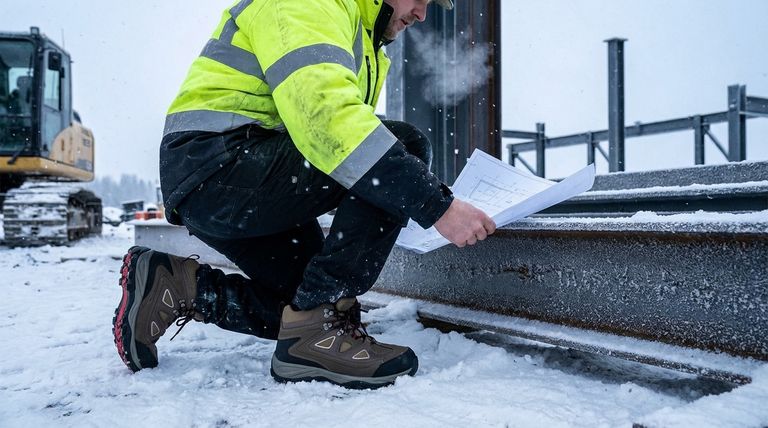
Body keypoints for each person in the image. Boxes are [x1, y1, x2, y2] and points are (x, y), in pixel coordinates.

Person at [113, 0, 496, 389]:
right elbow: (327, 121)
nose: (422, 14)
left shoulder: (360, 38)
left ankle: (176, 285)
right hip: (220, 165)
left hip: (229, 177)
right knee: (404, 144)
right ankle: (317, 334)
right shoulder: (309, 3)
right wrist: (437, 206)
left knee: (303, 304)